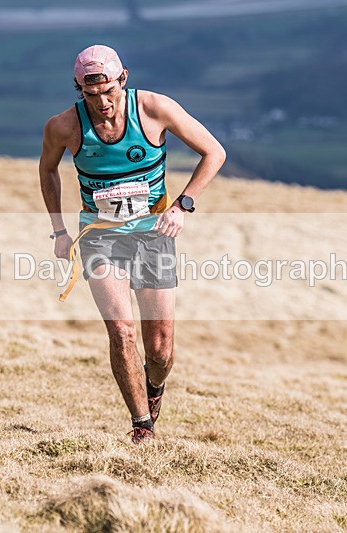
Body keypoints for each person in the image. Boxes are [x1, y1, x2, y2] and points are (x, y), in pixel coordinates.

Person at [39, 44, 226, 443]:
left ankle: (153, 389)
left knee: (159, 349)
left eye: (109, 91)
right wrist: (59, 231)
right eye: (91, 94)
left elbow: (214, 152)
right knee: (122, 331)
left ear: (123, 78)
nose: (102, 102)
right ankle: (142, 426)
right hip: (99, 237)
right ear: (78, 89)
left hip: (153, 236)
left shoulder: (155, 109)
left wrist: (182, 205)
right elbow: (48, 170)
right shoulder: (64, 126)